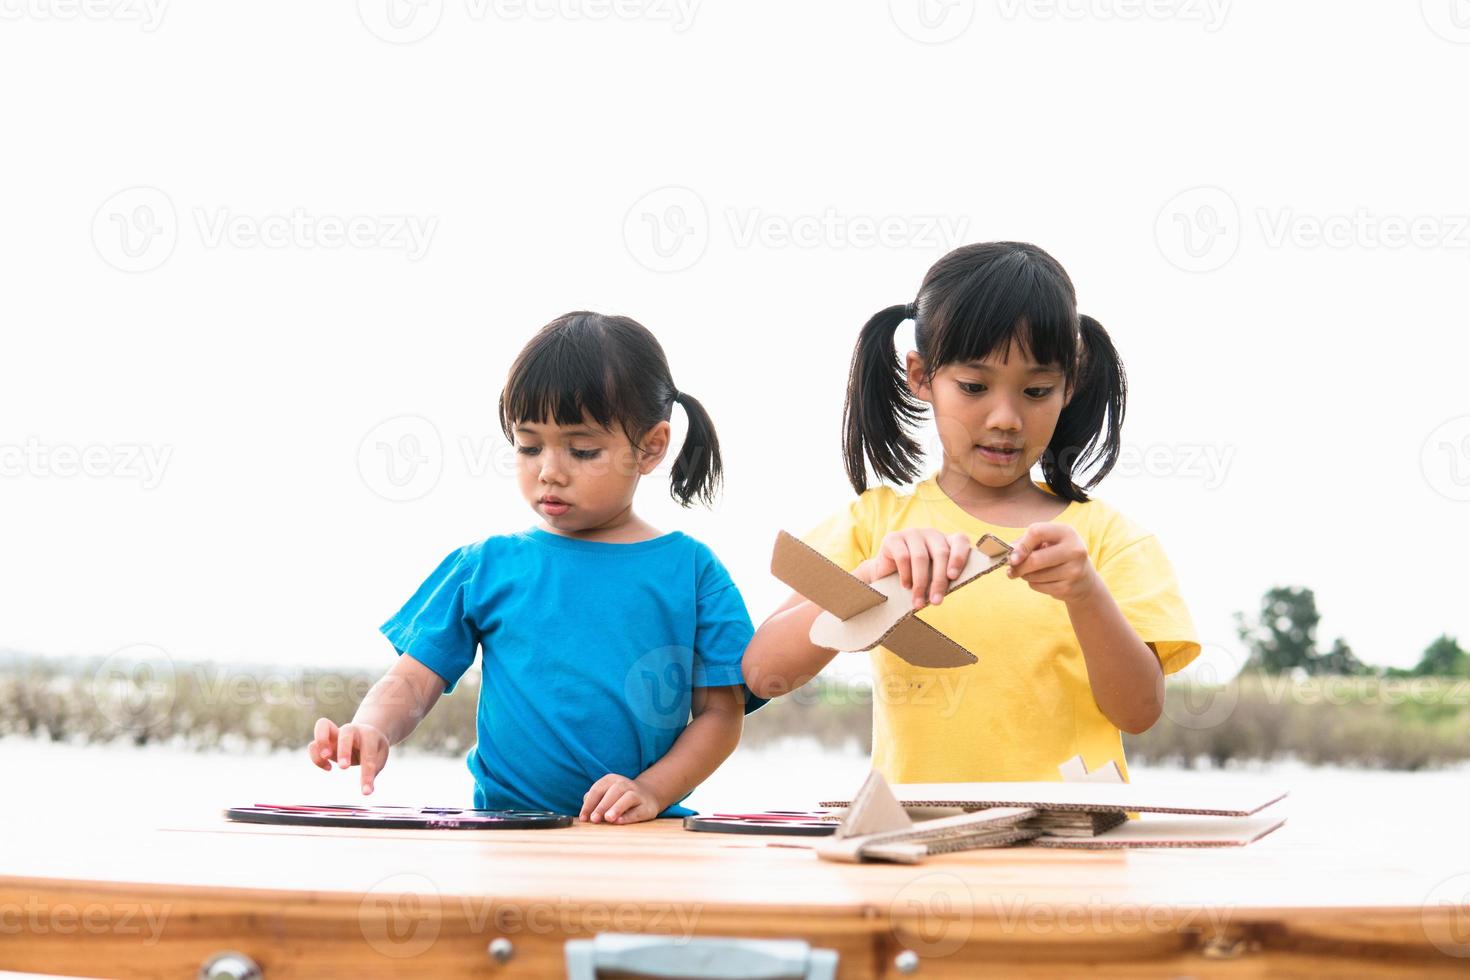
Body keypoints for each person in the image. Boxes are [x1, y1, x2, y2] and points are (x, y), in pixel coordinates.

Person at [743, 242, 1199, 784]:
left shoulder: (1109, 541)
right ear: (920, 377)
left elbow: (1139, 712)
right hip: (913, 846)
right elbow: (762, 673)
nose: (1005, 418)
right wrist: (869, 584)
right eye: (974, 387)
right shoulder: (873, 526)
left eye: (1036, 390)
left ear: (1068, 386)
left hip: (1075, 849)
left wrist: (1087, 594)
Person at [310, 312, 760, 823]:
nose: (549, 471)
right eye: (528, 446)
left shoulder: (693, 572)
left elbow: (721, 714)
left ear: (651, 447)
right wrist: (371, 726)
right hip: (510, 835)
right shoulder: (486, 567)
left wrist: (651, 790)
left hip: (643, 835)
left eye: (582, 449)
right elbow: (412, 682)